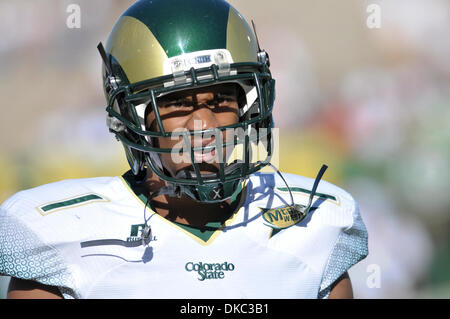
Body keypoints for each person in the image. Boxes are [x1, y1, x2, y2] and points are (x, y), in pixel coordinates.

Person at [0, 0, 368, 299]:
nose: (205, 125)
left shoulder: (316, 223)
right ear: (132, 117)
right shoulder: (61, 235)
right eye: (177, 104)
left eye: (223, 99)